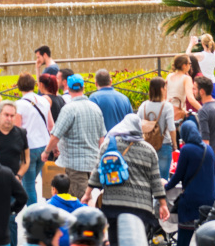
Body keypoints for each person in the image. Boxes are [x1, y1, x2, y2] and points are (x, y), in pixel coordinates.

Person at [81, 115, 165, 244]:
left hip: (113, 205)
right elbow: (155, 181)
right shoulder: (149, 150)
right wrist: (163, 205)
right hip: (141, 207)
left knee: (114, 241)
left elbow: (96, 173)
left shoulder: (108, 145)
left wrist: (87, 194)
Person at [46, 74, 106, 198]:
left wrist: (46, 152)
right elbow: (102, 139)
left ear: (67, 87)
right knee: (92, 199)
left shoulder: (69, 109)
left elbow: (55, 135)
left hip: (74, 166)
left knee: (81, 202)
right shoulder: (95, 108)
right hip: (93, 164)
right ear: (83, 87)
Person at [0, 100, 29, 243]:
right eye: (6, 115)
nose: (9, 118)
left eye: (12, 116)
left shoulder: (20, 133)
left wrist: (19, 175)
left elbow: (26, 159)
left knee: (9, 219)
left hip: (11, 184)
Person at [165, 119, 215, 246]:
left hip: (191, 201)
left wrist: (165, 187)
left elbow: (178, 176)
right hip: (210, 200)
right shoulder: (209, 149)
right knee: (207, 238)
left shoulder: (186, 150)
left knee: (184, 239)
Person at [15, 73, 53, 205]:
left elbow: (17, 130)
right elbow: (51, 125)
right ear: (34, 85)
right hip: (44, 146)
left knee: (29, 184)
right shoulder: (44, 101)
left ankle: (33, 214)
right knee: (30, 180)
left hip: (28, 149)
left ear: (19, 87)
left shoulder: (19, 105)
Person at [138, 77, 177, 178]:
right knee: (162, 178)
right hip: (164, 144)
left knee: (147, 177)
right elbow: (172, 128)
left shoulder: (143, 105)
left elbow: (137, 124)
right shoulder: (167, 106)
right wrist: (175, 144)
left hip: (146, 145)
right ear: (161, 89)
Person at [45, 174, 88, 246]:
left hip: (57, 239)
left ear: (54, 189)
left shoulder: (50, 204)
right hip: (73, 239)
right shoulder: (75, 201)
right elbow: (85, 210)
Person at [194, 76, 215, 150]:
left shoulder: (203, 111)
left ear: (202, 91)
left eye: (195, 89)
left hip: (211, 152)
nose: (193, 92)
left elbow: (205, 140)